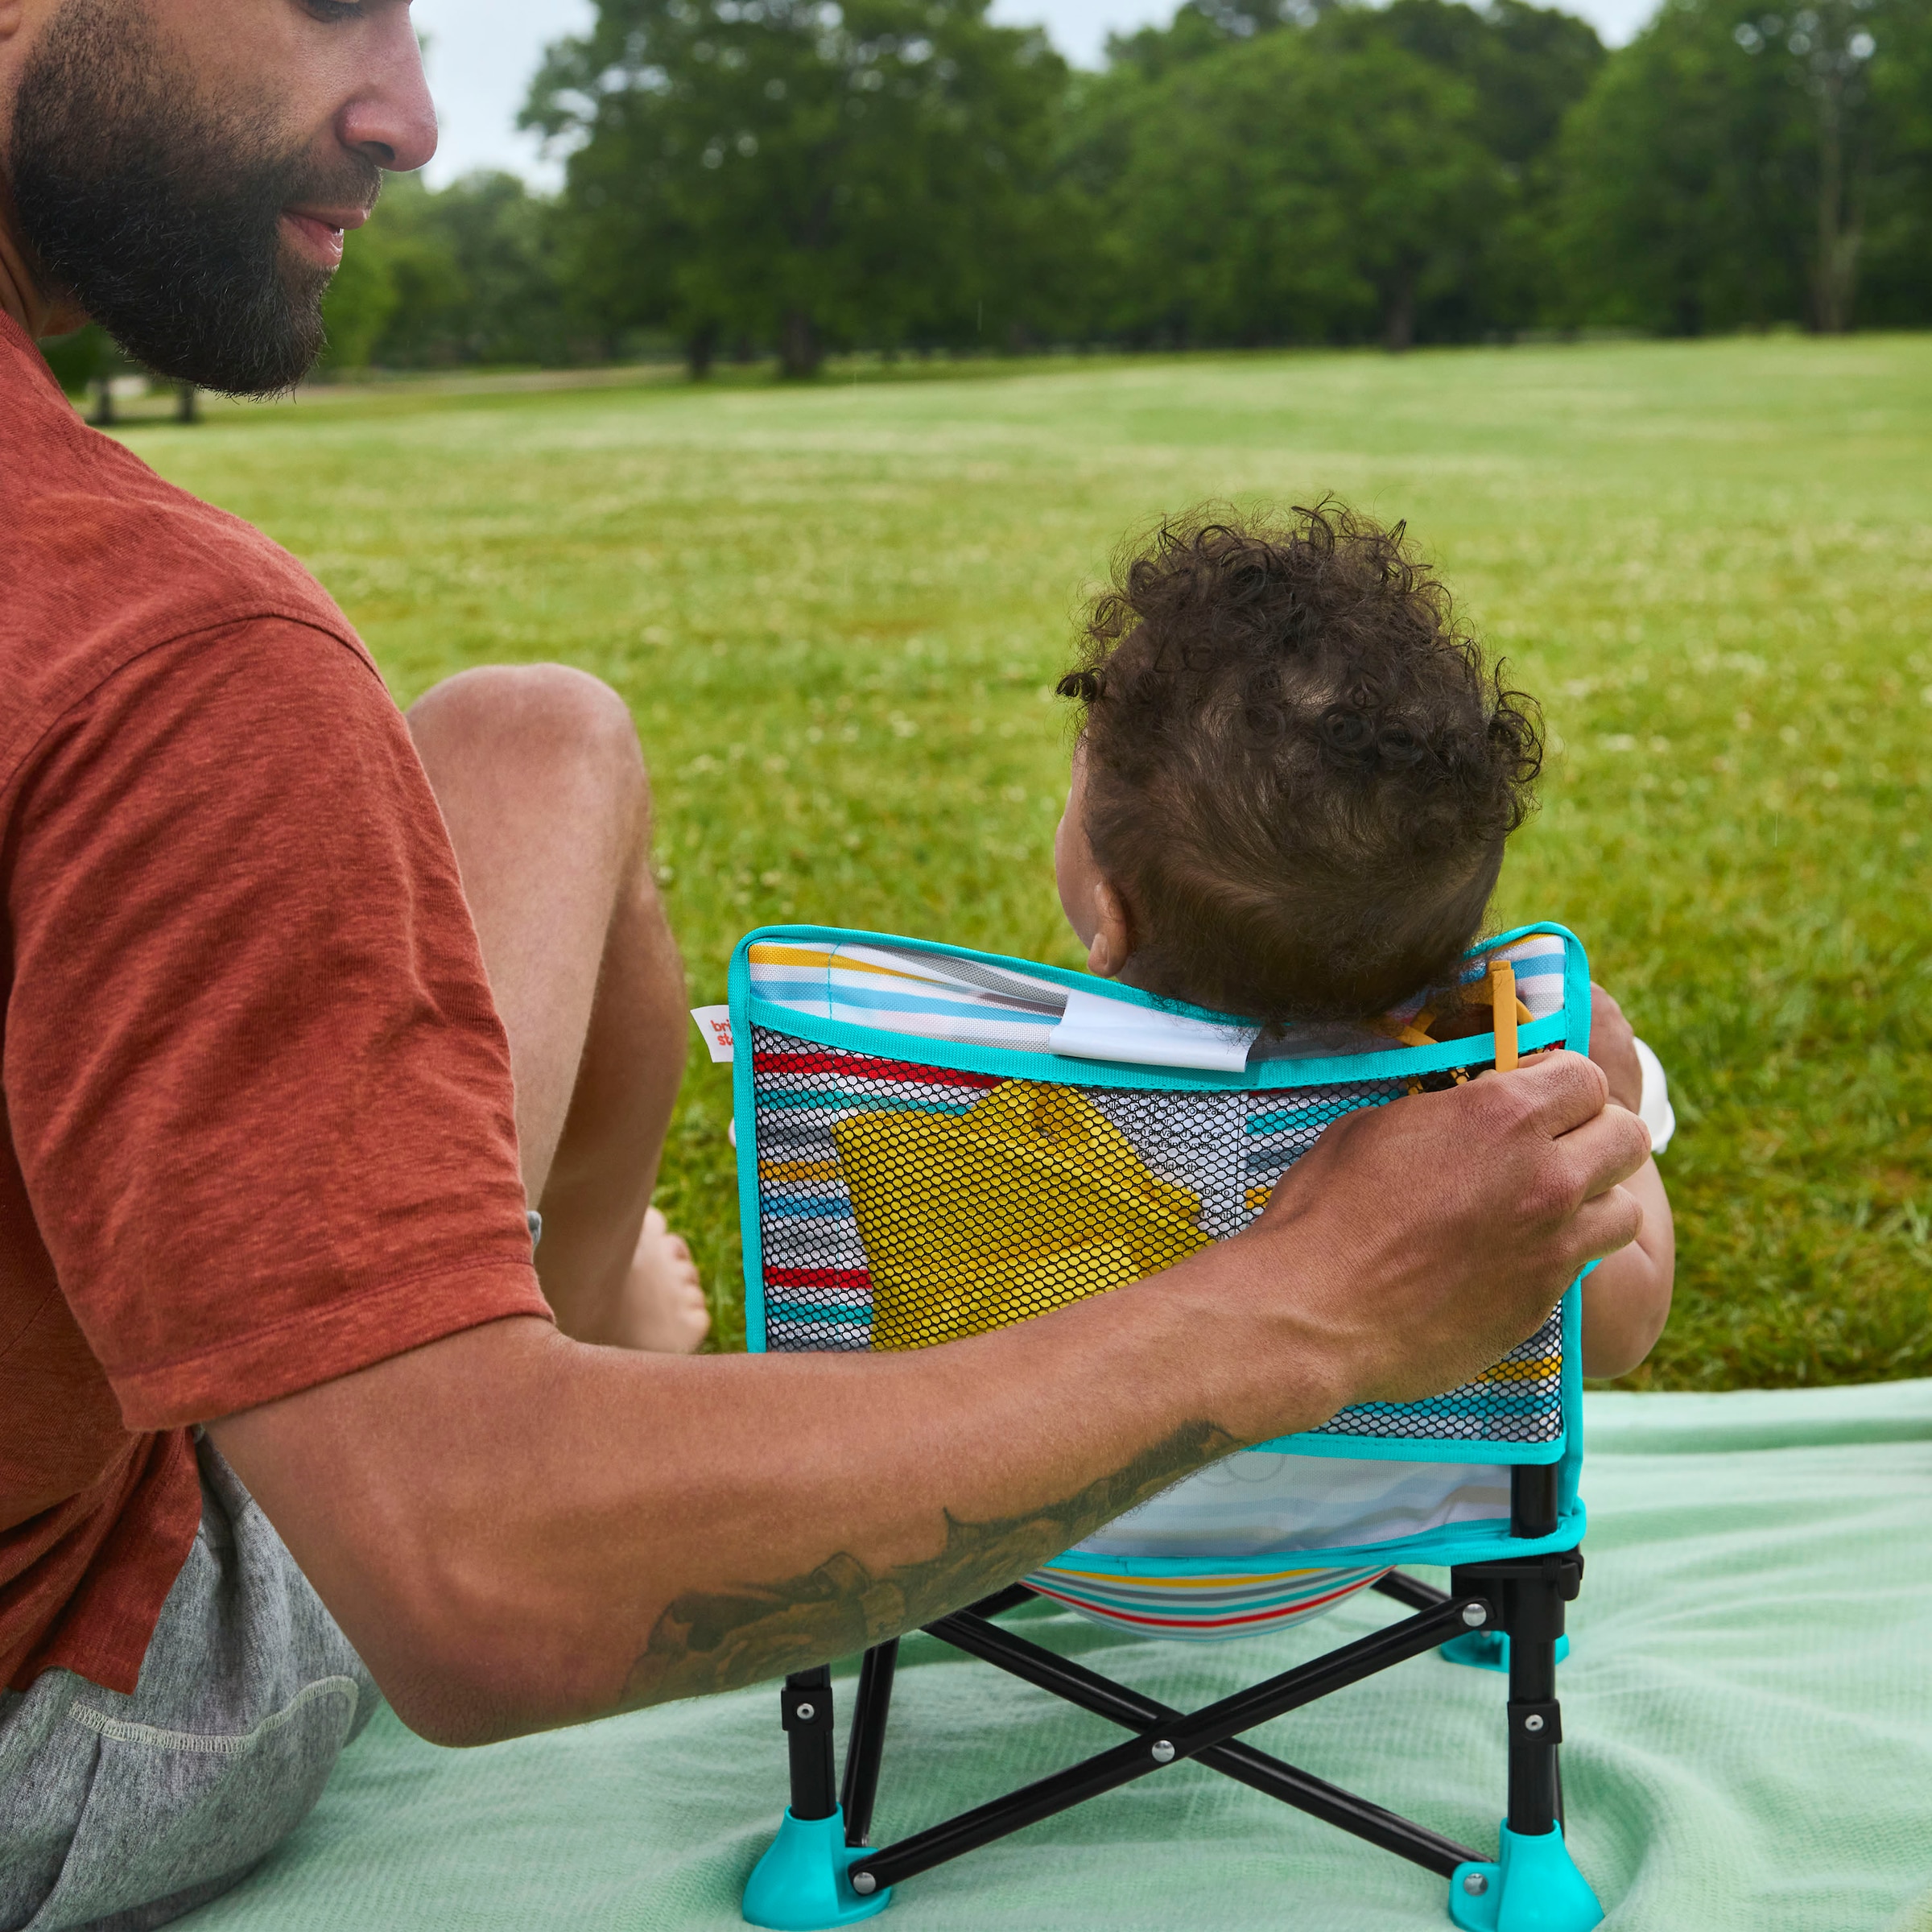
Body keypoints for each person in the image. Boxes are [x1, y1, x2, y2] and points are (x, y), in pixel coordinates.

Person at [0, 2, 1653, 1926]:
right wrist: (1310, 1297)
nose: (416, 117)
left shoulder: (985, 1134)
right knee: (530, 767)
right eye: (333, 1)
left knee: (536, 735)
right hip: (76, 1683)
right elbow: (475, 1573)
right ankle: (555, 1341)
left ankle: (584, 1302)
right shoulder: (158, 657)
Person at [1050, 505, 1674, 1380]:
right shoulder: (1500, 1115)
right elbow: (1622, 1331)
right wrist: (1619, 1111)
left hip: (1133, 1517)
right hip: (1428, 1524)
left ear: (1111, 914)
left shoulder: (1033, 1100)